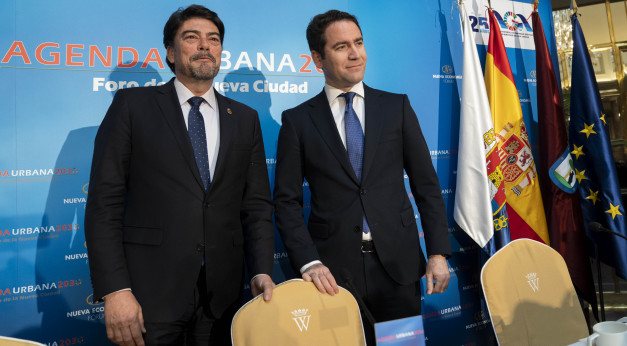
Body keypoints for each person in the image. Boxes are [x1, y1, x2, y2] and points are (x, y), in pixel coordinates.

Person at [85, 5, 275, 345]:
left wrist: (261, 270)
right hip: (148, 297)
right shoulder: (132, 106)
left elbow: (257, 206)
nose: (205, 46)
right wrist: (115, 290)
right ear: (171, 53)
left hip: (223, 298)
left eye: (213, 39)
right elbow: (104, 204)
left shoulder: (245, 118)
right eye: (192, 38)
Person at [273, 9, 451, 343]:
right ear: (317, 58)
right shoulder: (297, 121)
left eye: (358, 42)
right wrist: (309, 262)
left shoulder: (395, 107)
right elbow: (285, 202)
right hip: (332, 276)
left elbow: (426, 184)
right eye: (341, 46)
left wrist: (439, 253)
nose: (355, 53)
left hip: (398, 267)